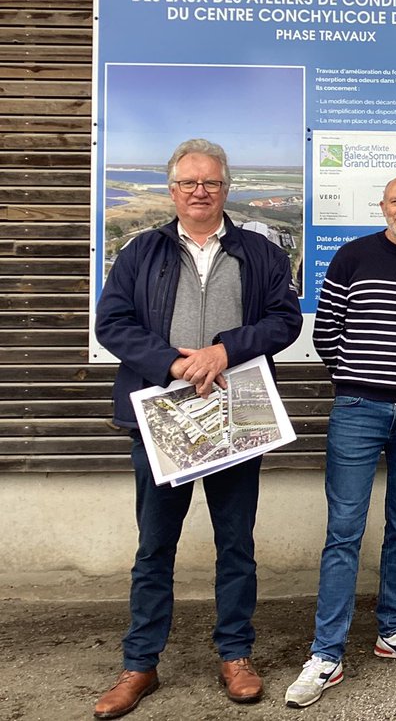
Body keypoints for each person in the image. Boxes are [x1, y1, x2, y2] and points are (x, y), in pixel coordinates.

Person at [93, 138, 302, 719]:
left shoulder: (257, 252)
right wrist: (175, 363)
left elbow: (284, 319)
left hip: (236, 415)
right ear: (173, 191)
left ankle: (235, 654)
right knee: (155, 546)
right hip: (162, 417)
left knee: (236, 544)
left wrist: (223, 351)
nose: (200, 191)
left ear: (226, 188)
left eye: (210, 182)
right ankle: (139, 664)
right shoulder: (142, 251)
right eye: (189, 183)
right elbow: (112, 322)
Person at [284, 175, 396, 708]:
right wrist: (359, 379)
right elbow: (326, 332)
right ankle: (326, 653)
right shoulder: (351, 256)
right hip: (358, 409)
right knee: (344, 530)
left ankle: (393, 631)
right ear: (382, 206)